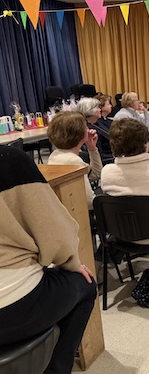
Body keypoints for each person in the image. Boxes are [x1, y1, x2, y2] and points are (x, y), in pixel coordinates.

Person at [0, 145, 97, 374]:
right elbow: (57, 236)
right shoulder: (10, 161)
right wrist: (72, 263)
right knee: (86, 285)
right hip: (14, 303)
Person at [47, 111, 102, 210]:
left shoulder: (55, 155)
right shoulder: (74, 161)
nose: (88, 130)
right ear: (79, 133)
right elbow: (89, 201)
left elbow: (96, 174)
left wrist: (92, 148)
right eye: (85, 127)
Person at [75, 97, 113, 164]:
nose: (100, 110)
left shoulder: (98, 123)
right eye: (98, 108)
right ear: (90, 110)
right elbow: (99, 154)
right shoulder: (88, 130)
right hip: (106, 161)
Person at [94, 94, 114, 163]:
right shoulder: (97, 124)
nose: (111, 106)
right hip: (108, 156)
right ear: (101, 107)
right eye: (108, 104)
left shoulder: (110, 121)